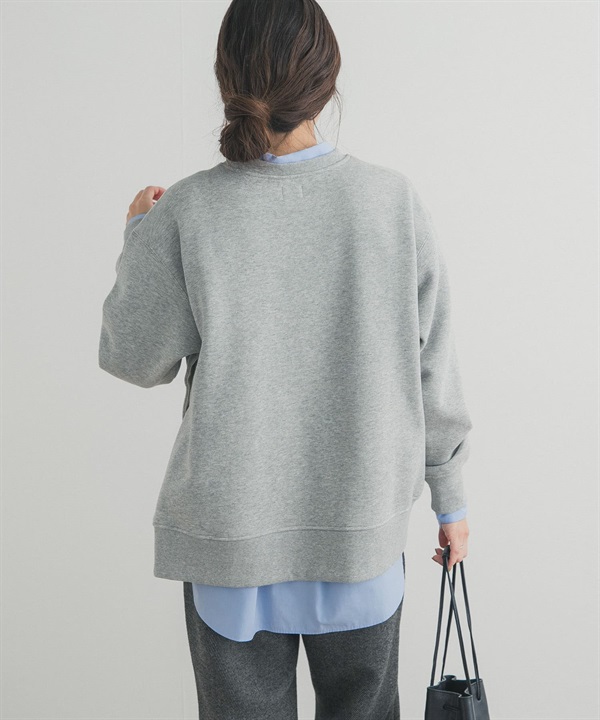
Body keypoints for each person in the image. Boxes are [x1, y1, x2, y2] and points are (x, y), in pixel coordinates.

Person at [99, 0, 472, 717]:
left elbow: (133, 357)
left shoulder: (188, 210)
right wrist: (450, 500)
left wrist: (139, 235)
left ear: (227, 79)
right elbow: (435, 364)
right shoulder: (390, 201)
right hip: (360, 531)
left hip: (229, 539)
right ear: (327, 78)